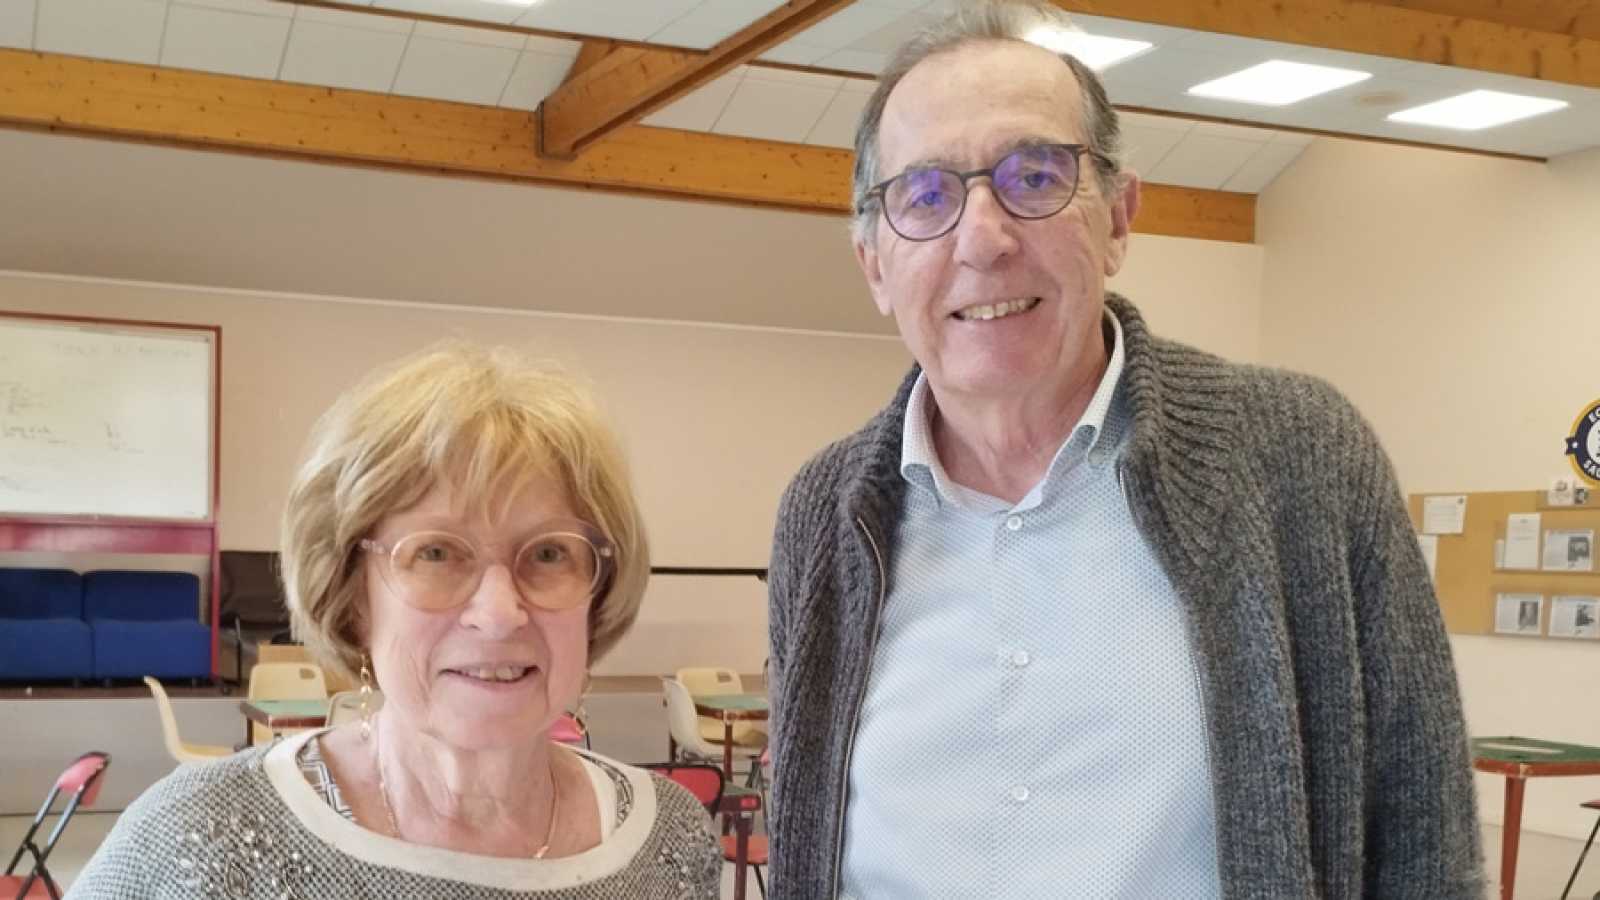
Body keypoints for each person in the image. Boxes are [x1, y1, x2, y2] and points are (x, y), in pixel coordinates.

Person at [764, 2, 1482, 897]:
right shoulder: (822, 511)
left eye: (1034, 177)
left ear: (1118, 219)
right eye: (926, 196)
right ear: (874, 262)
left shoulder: (1299, 455)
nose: (982, 239)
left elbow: (1424, 841)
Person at [70, 345, 721, 899]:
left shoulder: (670, 841)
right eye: (435, 553)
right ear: (353, 594)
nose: (499, 613)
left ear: (598, 592)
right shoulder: (199, 840)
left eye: (549, 554)